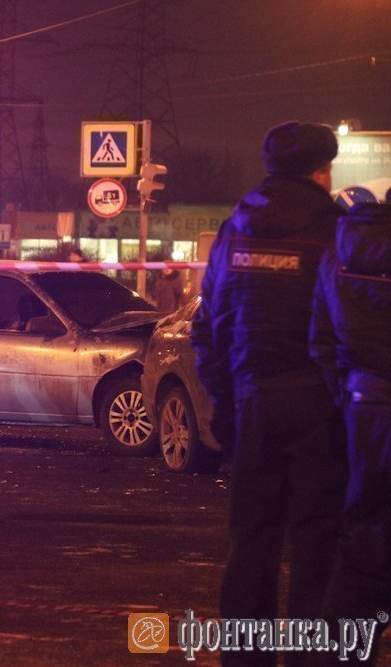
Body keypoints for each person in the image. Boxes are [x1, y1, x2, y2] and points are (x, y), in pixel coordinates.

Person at [190, 121, 347, 661]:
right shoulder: (334, 229)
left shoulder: (236, 228)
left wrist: (226, 403)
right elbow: (348, 324)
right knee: (316, 543)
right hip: (318, 408)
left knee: (251, 543)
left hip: (252, 401)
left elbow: (208, 325)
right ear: (323, 170)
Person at [310, 198, 391, 665]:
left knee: (363, 533)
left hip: (365, 405)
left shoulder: (341, 247)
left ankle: (347, 652)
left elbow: (320, 337)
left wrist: (346, 393)